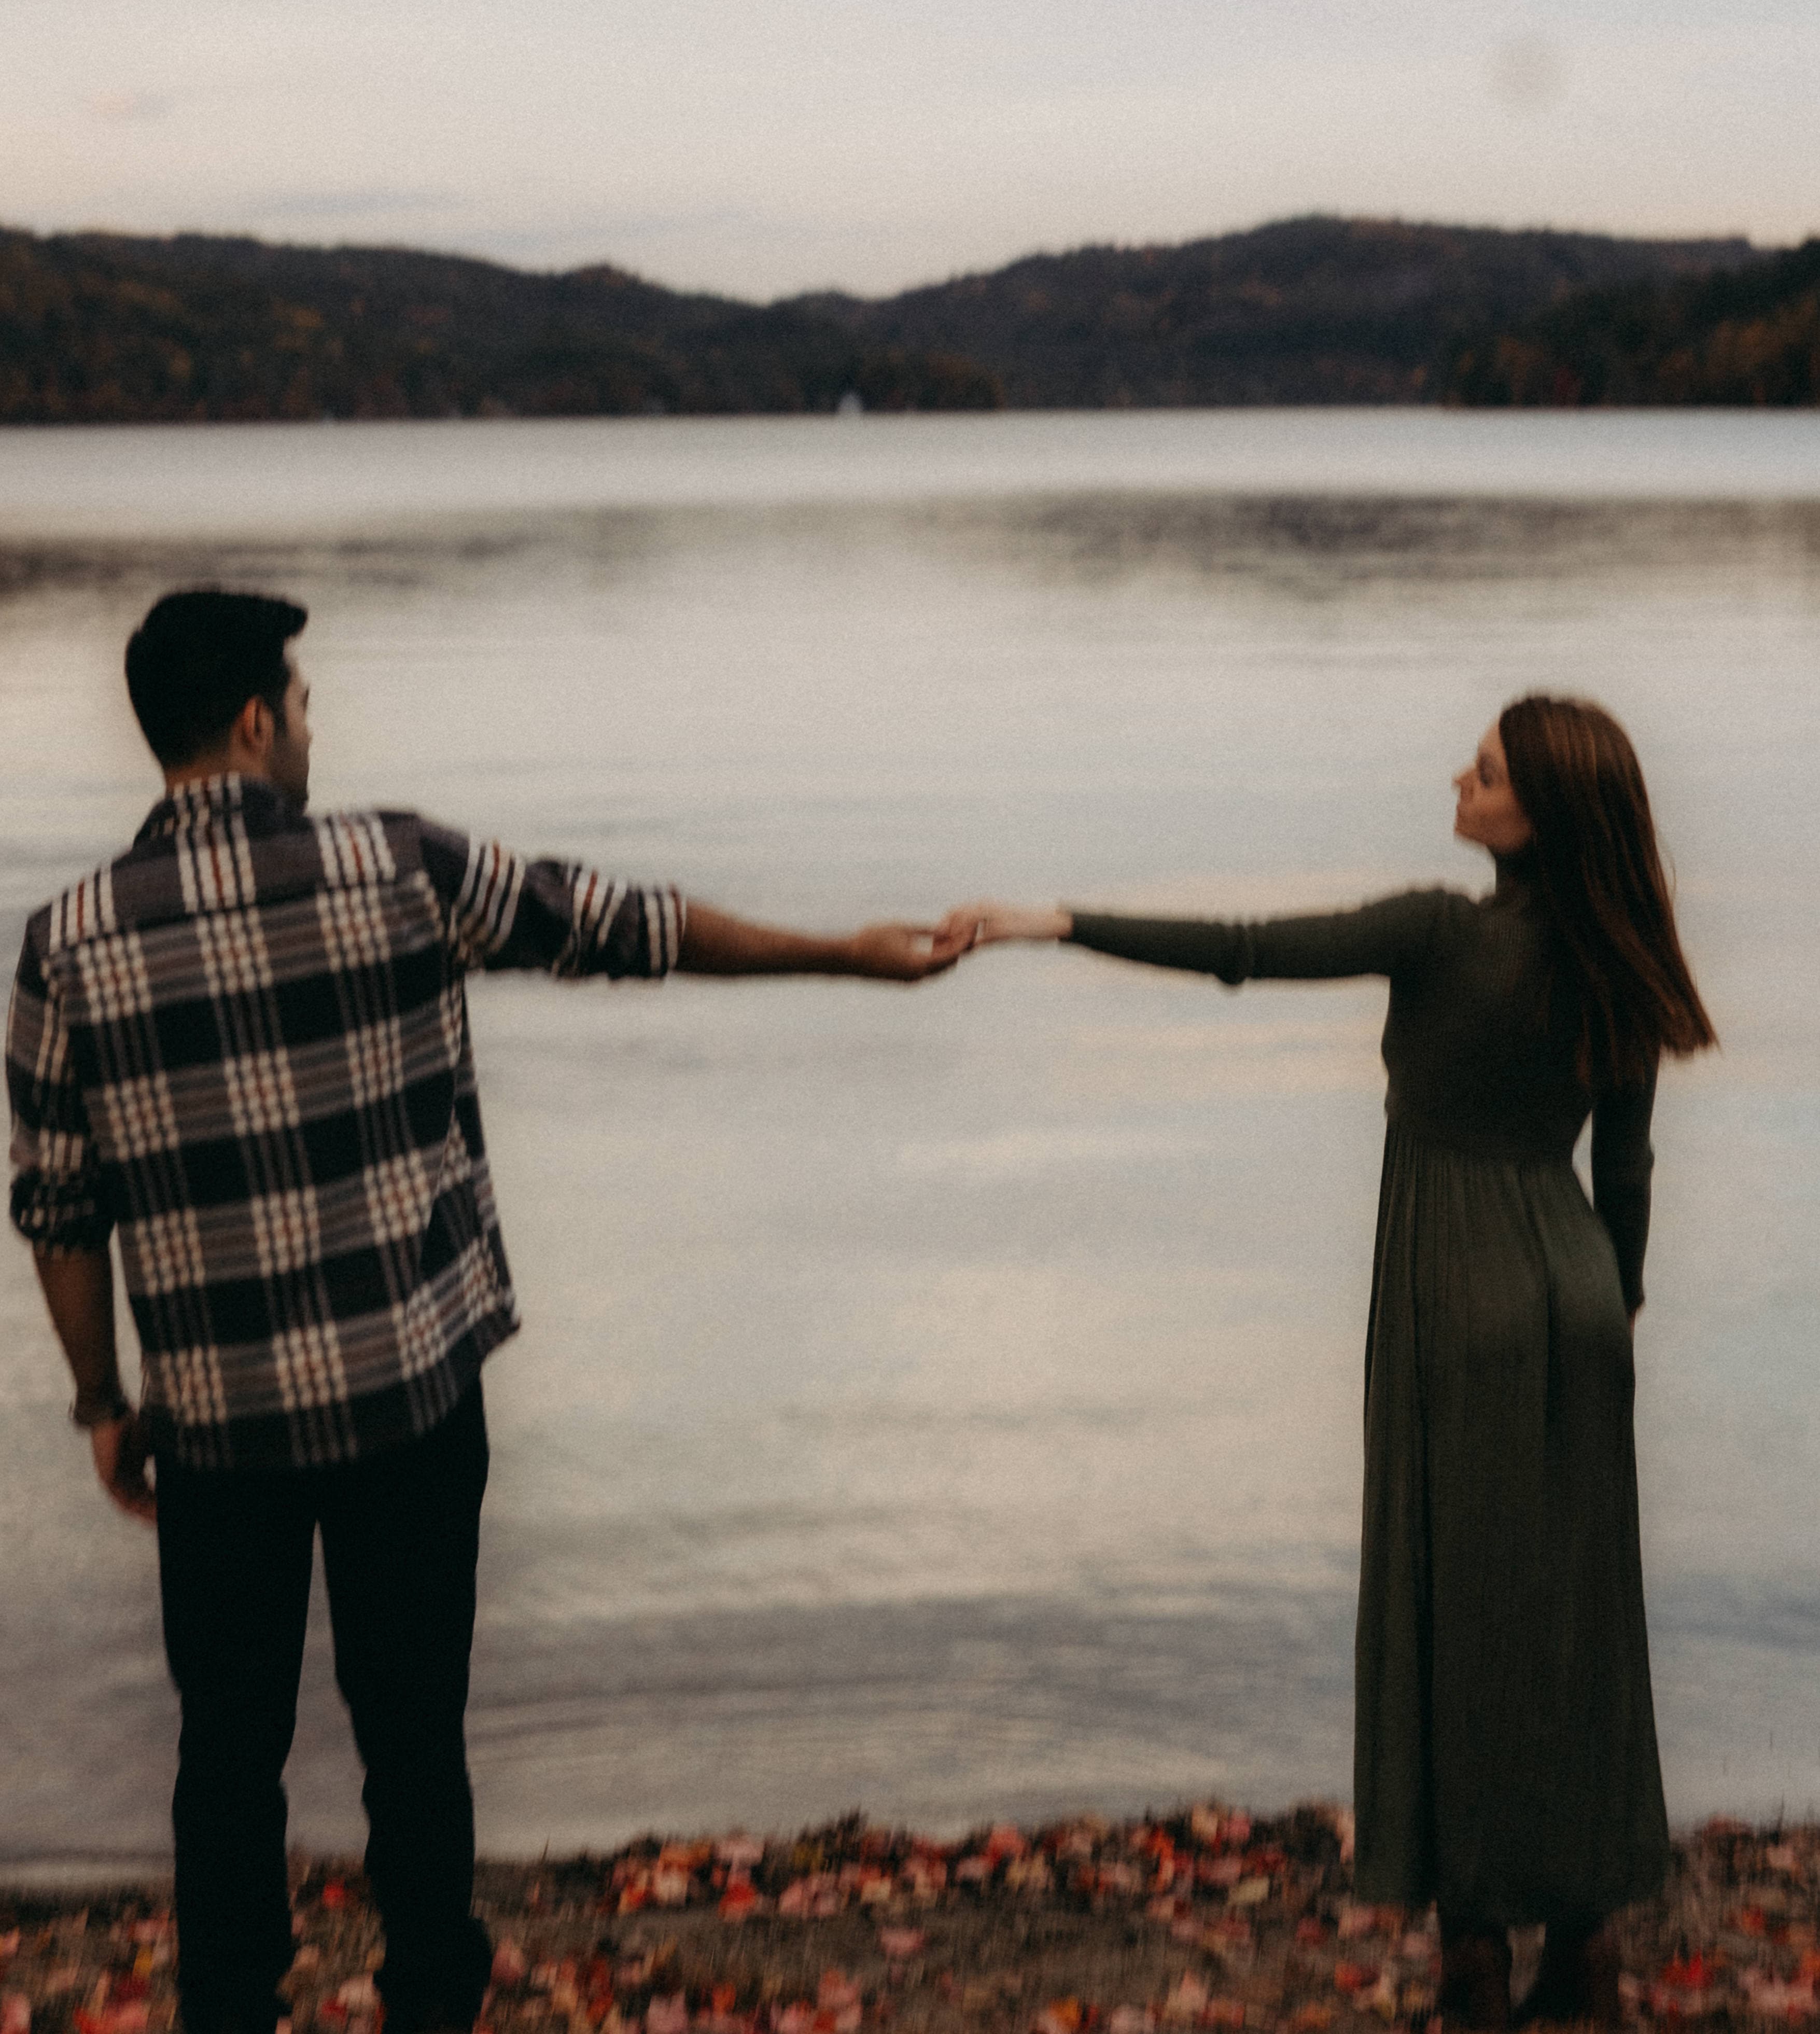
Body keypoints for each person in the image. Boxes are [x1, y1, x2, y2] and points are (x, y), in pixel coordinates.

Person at [7, 587, 965, 2034]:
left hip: (217, 1428)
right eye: (305, 704)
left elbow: (60, 1211)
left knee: (227, 1756)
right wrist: (845, 952)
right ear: (259, 719)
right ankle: (431, 2004)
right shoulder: (399, 866)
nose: (312, 730)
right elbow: (623, 927)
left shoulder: (64, 941)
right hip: (407, 1402)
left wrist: (99, 1403)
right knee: (413, 1743)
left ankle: (227, 2010)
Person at [945, 695, 1715, 2030]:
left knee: (1454, 1610)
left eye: (1483, 772)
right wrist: (1615, 1311)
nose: (1458, 780)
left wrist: (1058, 922)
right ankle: (1585, 1947)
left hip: (1452, 1287)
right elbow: (1628, 1174)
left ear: (1536, 811)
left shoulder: (1436, 930)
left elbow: (1250, 951)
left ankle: (1475, 1954)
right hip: (1577, 1291)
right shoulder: (1621, 955)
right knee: (1580, 1619)